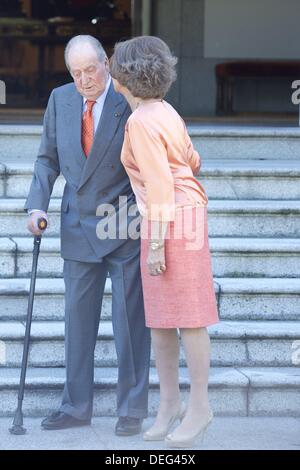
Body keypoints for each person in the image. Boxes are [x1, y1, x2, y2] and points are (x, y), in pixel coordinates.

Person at [25, 35, 150, 436]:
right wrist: (36, 205)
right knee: (78, 322)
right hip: (77, 222)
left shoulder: (127, 100)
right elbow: (47, 159)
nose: (84, 80)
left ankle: (131, 408)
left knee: (129, 323)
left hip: (121, 222)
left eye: (90, 70)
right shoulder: (60, 100)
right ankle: (76, 406)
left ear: (106, 64)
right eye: (76, 73)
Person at [110, 35, 219, 448]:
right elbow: (193, 161)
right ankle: (170, 404)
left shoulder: (140, 121)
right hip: (171, 217)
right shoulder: (164, 110)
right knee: (160, 321)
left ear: (126, 76)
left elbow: (158, 187)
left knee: (188, 318)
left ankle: (200, 407)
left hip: (170, 222)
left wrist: (156, 246)